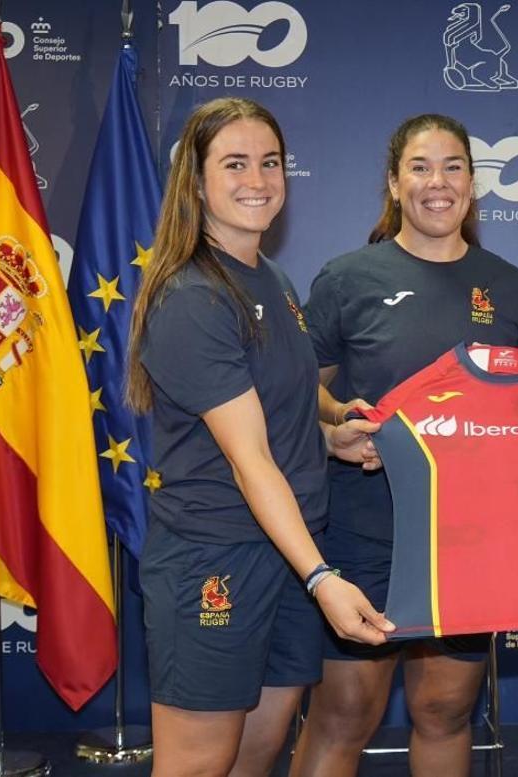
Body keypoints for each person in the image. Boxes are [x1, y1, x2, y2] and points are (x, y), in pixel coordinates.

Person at [124, 97, 393, 777]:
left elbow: (277, 415)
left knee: (256, 752)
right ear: (197, 180)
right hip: (216, 557)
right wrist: (323, 575)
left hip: (285, 550)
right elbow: (248, 461)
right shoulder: (192, 295)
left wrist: (328, 440)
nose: (258, 179)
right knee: (199, 762)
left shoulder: (270, 277)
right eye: (235, 163)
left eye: (269, 162)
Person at [292, 113, 518, 777]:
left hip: (468, 537)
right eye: (422, 167)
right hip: (363, 526)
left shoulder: (512, 285)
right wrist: (340, 411)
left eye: (454, 166)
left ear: (472, 180)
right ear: (394, 183)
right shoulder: (348, 278)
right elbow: (302, 394)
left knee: (444, 708)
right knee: (346, 711)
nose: (439, 182)